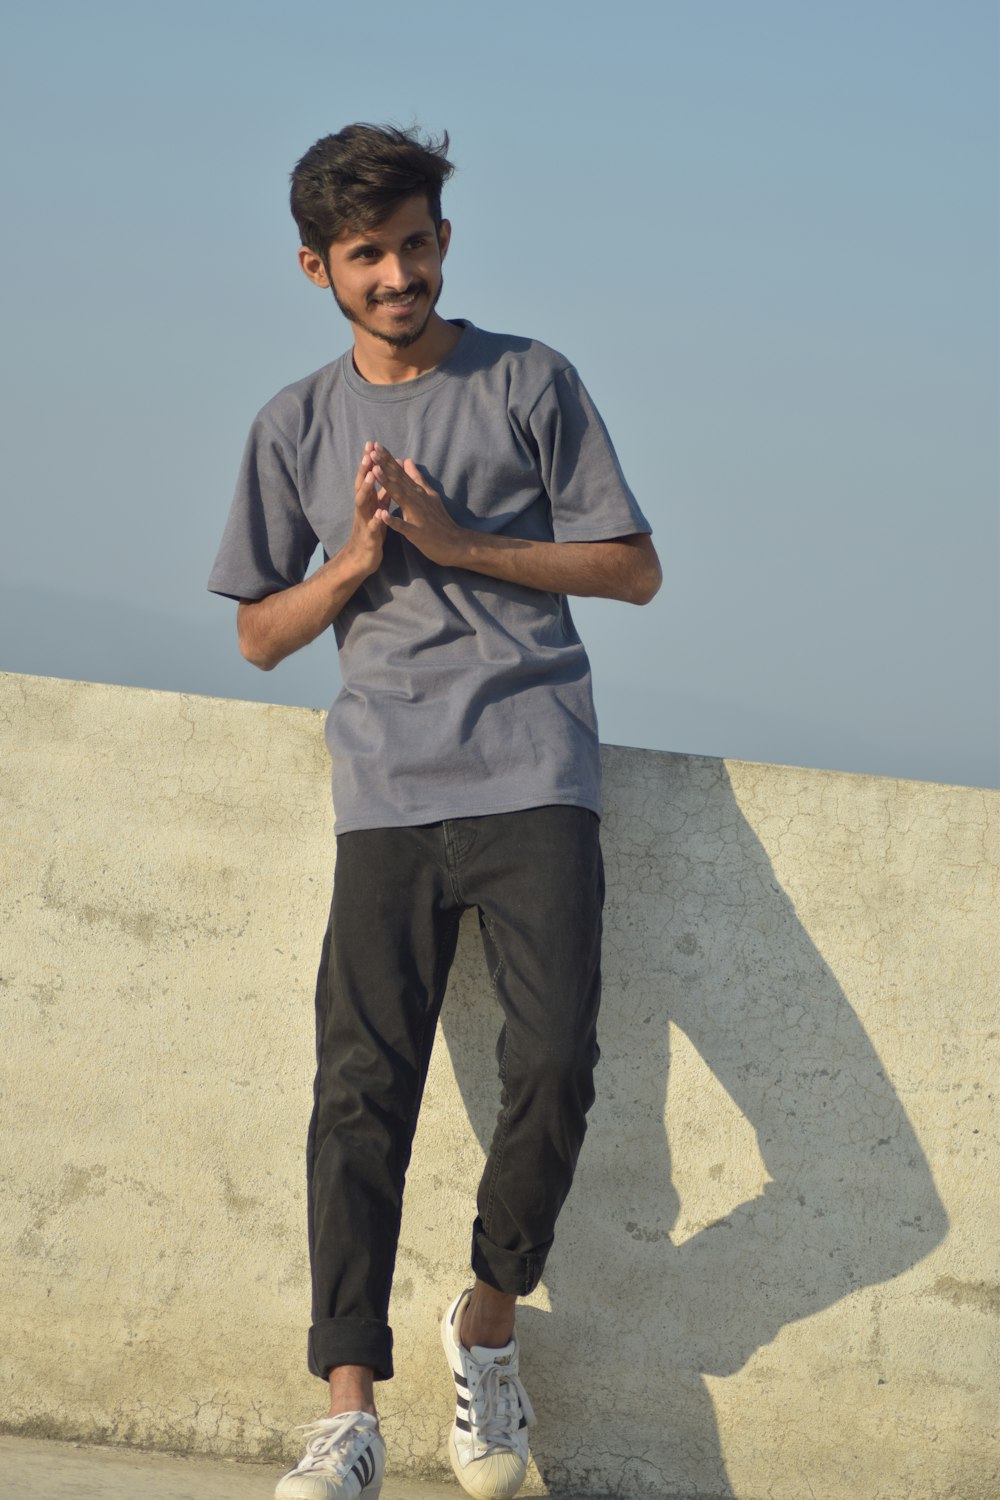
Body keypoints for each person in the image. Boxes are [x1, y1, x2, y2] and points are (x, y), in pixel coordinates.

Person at [208, 122, 661, 1500]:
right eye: (368, 255)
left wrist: (462, 546)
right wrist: (354, 562)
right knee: (359, 1094)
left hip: (535, 772)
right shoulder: (291, 425)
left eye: (415, 244)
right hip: (386, 797)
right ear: (318, 269)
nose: (398, 273)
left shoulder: (529, 380)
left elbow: (633, 568)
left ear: (443, 241)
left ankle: (487, 1321)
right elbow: (256, 635)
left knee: (555, 1067)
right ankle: (350, 1412)